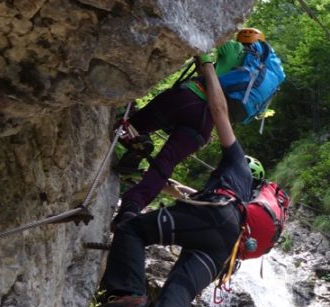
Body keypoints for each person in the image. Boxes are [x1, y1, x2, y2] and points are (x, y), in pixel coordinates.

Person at [81, 53, 256, 307]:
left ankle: (127, 291)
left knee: (133, 229)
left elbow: (218, 111)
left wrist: (206, 65)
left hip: (215, 216)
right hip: (223, 249)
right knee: (180, 292)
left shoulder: (237, 165)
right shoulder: (245, 198)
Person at [112, 28, 276, 229]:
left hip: (188, 97)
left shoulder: (234, 49)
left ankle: (138, 142)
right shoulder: (260, 76)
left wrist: (204, 57)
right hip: (205, 124)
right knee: (166, 163)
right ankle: (131, 208)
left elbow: (205, 36)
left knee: (130, 124)